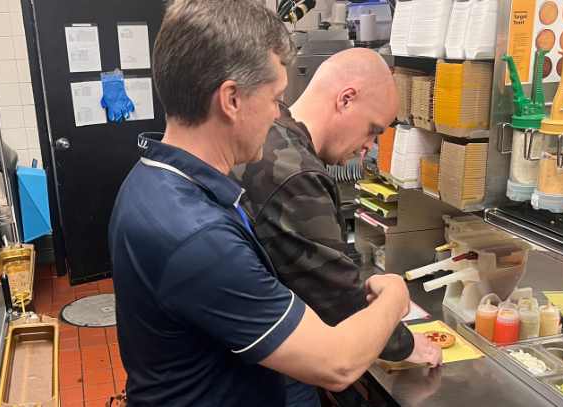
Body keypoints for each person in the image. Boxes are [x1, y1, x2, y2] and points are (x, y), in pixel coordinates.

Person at [110, 2, 421, 406]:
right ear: (232, 99)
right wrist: (394, 299)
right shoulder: (198, 237)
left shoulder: (151, 178)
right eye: (275, 98)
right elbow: (338, 364)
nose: (278, 114)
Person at [230, 48, 443, 406]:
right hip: (275, 378)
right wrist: (404, 343)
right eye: (373, 130)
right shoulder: (297, 173)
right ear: (346, 99)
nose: (368, 147)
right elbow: (338, 301)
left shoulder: (275, 130)